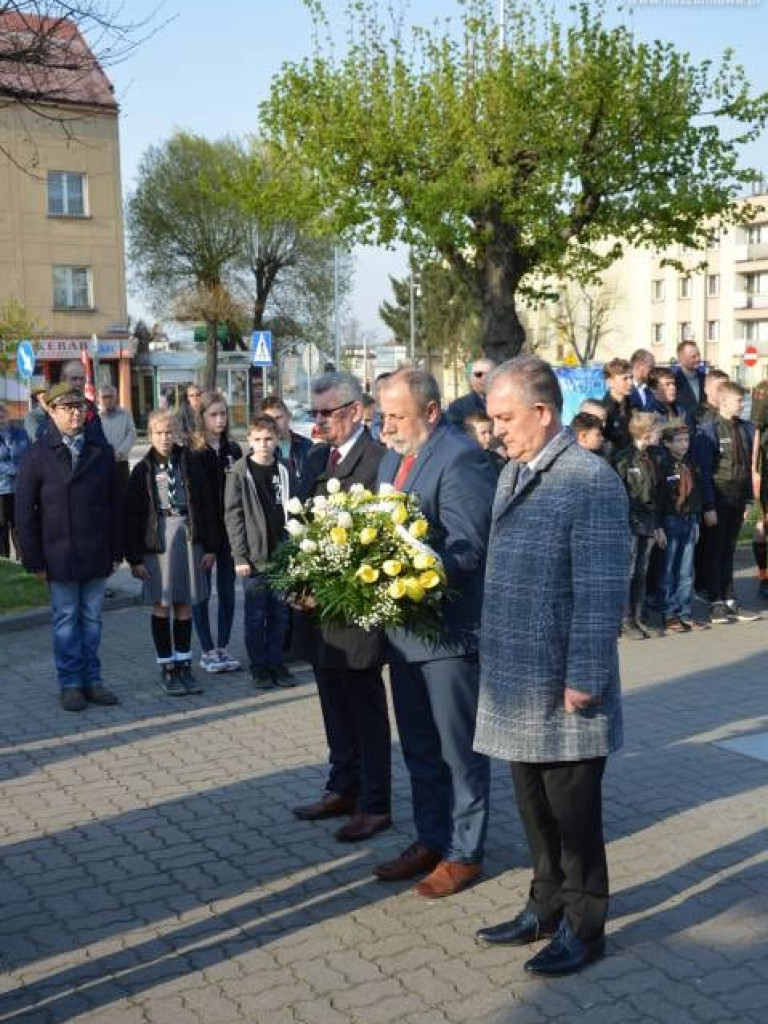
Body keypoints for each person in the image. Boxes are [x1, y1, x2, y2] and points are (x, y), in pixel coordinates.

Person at [473, 355, 630, 977]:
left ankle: (586, 924)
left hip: (564, 683)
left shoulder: (588, 480)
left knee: (575, 818)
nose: (495, 430)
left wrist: (586, 676)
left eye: (505, 418)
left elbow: (600, 590)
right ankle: (543, 906)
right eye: (490, 419)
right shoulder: (516, 471)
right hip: (519, 678)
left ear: (543, 413)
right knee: (534, 807)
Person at [374, 367, 495, 897]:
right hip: (405, 635)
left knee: (457, 751)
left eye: (397, 415)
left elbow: (469, 546)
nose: (388, 424)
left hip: (447, 635)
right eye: (383, 414)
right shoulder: (395, 455)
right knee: (420, 747)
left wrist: (411, 576)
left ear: (429, 411)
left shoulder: (460, 456)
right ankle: (431, 838)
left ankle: (465, 852)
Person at [292, 371, 393, 844]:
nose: (318, 422)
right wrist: (297, 580)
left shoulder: (378, 461)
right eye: (313, 414)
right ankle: (342, 786)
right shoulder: (315, 459)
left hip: (356, 610)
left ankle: (375, 803)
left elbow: (382, 540)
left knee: (364, 709)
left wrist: (332, 585)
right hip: (319, 613)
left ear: (355, 412)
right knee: (333, 704)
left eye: (326, 413)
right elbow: (303, 529)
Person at [15, 382, 120, 712]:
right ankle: (71, 684)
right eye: (68, 407)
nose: (76, 413)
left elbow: (114, 504)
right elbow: (24, 511)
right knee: (65, 620)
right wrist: (33, 559)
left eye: (80, 407)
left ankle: (93, 681)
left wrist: (117, 551)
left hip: (95, 551)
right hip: (58, 554)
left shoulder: (99, 451)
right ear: (52, 411)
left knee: (92, 621)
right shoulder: (37, 454)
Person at [125, 410, 220, 696]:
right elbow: (131, 516)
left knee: (184, 605)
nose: (165, 438)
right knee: (162, 604)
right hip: (159, 542)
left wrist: (212, 546)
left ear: (177, 432)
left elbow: (207, 503)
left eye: (169, 432)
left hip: (189, 539)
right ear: (150, 435)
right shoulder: (142, 469)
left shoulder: (190, 462)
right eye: (159, 433)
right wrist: (135, 557)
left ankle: (184, 664)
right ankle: (166, 667)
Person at [224, 415, 294, 689]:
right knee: (256, 615)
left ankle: (276, 662)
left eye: (268, 439)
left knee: (280, 614)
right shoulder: (240, 472)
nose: (263, 445)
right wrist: (239, 556)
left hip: (282, 555)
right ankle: (259, 666)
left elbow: (294, 509)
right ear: (249, 441)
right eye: (257, 440)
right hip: (254, 558)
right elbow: (233, 516)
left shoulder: (284, 470)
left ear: (277, 439)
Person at [693, 382, 758, 624]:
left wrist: (749, 498)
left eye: (743, 401)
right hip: (718, 497)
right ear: (723, 401)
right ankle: (716, 601)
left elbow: (748, 466)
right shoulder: (708, 430)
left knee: (728, 549)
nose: (742, 405)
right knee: (714, 549)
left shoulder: (746, 429)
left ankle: (730, 598)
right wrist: (708, 506)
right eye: (738, 401)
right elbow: (704, 472)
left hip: (738, 497)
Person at [189, 391, 242, 674]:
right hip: (205, 534)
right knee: (202, 592)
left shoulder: (233, 450)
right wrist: (207, 542)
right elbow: (199, 500)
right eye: (213, 415)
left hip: (230, 531)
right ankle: (207, 649)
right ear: (203, 417)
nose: (219, 420)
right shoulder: (195, 452)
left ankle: (223, 646)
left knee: (227, 592)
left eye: (223, 414)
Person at [613, 412, 665, 639]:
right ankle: (624, 620)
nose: (661, 435)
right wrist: (632, 519)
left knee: (642, 572)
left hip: (649, 521)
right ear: (646, 433)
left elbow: (658, 494)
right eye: (658, 431)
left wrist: (657, 524)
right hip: (630, 522)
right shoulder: (624, 458)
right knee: (629, 571)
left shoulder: (654, 456)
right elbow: (621, 494)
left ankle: (637, 616)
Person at [657, 418, 704, 633]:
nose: (684, 444)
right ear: (667, 443)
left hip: (689, 519)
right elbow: (658, 498)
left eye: (686, 440)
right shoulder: (662, 464)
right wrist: (658, 526)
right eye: (679, 440)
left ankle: (685, 612)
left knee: (686, 570)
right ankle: (669, 613)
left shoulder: (690, 463)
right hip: (670, 520)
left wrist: (696, 518)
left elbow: (697, 492)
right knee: (668, 569)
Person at [260, 395, 314, 487]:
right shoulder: (261, 450)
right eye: (269, 420)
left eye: (278, 418)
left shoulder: (307, 445)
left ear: (288, 417)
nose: (275, 424)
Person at [0, 402, 29, 558]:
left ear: (8, 414)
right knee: (2, 525)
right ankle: (3, 560)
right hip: (2, 489)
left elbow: (28, 453)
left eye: (3, 411)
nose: (0, 415)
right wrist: (16, 470)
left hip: (20, 487)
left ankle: (22, 560)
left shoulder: (20, 433)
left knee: (19, 525)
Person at [98, 385, 136, 505]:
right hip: (102, 463)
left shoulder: (126, 414)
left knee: (122, 497)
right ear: (99, 398)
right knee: (104, 498)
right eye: (105, 397)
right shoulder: (96, 417)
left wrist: (120, 452)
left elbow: (131, 434)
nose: (108, 400)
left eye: (111, 396)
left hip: (121, 463)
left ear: (116, 397)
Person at [751, 376, 768, 599]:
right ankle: (764, 577)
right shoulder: (763, 390)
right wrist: (753, 470)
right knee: (763, 525)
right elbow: (755, 431)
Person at [445, 357, 495, 428]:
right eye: (478, 374)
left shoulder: (506, 402)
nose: (483, 378)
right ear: (471, 378)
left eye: (488, 374)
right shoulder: (458, 407)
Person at [600, 358, 633, 454]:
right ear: (610, 382)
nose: (630, 383)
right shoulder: (603, 410)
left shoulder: (634, 406)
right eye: (625, 379)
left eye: (631, 378)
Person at [464, 410, 506, 476]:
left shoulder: (497, 459)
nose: (489, 437)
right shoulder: (464, 462)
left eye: (490, 432)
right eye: (483, 433)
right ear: (470, 434)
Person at [673, 341, 707, 421]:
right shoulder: (673, 381)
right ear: (681, 359)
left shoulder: (706, 379)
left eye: (699, 355)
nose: (698, 359)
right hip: (685, 428)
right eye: (693, 357)